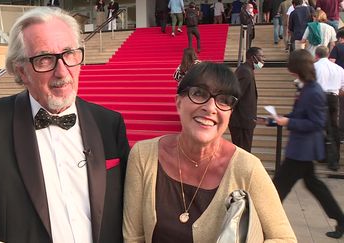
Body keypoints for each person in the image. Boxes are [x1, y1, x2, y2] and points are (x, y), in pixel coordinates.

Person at [0, 7, 130, 243]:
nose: (62, 72)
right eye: (45, 59)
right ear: (21, 71)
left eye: (69, 54)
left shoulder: (109, 123)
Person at [123, 62, 296, 243]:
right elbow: (133, 237)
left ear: (230, 113)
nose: (211, 108)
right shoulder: (143, 155)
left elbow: (284, 238)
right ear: (178, 103)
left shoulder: (247, 168)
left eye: (224, 100)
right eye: (199, 93)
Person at [272, 49, 344, 239]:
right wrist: (280, 118)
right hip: (302, 149)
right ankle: (341, 219)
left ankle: (262, 219)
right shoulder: (306, 88)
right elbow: (300, 115)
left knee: (277, 188)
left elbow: (317, 123)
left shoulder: (314, 92)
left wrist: (289, 122)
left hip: (303, 150)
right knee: (315, 186)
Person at [314, 46, 344, 171]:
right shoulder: (339, 68)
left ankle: (325, 157)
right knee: (333, 128)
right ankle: (334, 158)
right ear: (327, 54)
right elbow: (342, 88)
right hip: (334, 98)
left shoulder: (315, 67)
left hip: (319, 97)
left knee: (322, 127)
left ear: (316, 55)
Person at [229, 47, 264, 152]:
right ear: (253, 58)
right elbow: (235, 94)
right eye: (261, 57)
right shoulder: (245, 71)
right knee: (243, 154)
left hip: (244, 121)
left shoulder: (247, 70)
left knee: (244, 154)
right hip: (241, 123)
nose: (263, 60)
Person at [329, 29, 344, 143]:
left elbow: (331, 64)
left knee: (341, 109)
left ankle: (341, 134)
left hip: (340, 83)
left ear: (340, 38)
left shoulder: (338, 48)